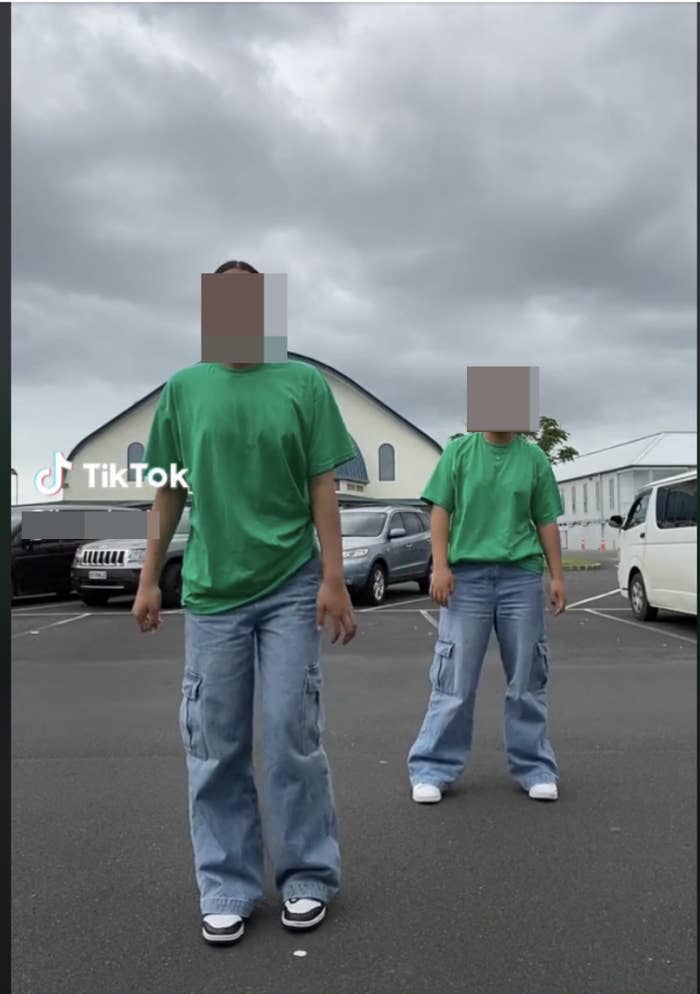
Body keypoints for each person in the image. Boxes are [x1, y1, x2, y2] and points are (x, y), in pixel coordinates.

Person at [132, 260, 358, 945]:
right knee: (216, 742)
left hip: (291, 582)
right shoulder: (184, 388)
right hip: (212, 592)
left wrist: (334, 576)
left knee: (292, 730)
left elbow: (326, 485)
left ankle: (307, 875)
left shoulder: (303, 383)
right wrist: (148, 578)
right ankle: (227, 883)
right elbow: (168, 491)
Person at [407, 428, 566, 803]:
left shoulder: (534, 459)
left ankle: (535, 768)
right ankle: (431, 767)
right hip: (467, 578)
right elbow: (440, 509)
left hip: (520, 576)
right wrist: (440, 567)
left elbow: (546, 520)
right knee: (455, 679)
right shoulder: (459, 452)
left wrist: (556, 576)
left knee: (527, 676)